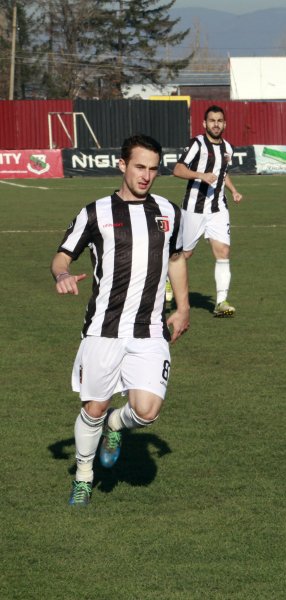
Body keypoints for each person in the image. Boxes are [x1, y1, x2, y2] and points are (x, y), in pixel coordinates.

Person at [51, 134, 190, 507]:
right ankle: (83, 476)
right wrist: (62, 275)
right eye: (139, 167)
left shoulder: (169, 212)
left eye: (153, 169)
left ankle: (117, 424)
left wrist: (184, 307)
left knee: (146, 411)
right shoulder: (95, 212)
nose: (146, 176)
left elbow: (176, 259)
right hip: (103, 328)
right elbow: (62, 257)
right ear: (122, 165)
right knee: (92, 407)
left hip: (149, 329)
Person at [173, 105, 243, 318]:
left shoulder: (228, 148)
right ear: (204, 124)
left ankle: (221, 302)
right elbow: (177, 169)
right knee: (185, 254)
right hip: (194, 208)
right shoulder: (197, 144)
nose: (216, 124)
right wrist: (200, 175)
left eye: (219, 120)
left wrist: (233, 191)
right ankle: (167, 280)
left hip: (218, 208)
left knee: (223, 251)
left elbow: (223, 173)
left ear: (225, 124)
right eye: (212, 120)